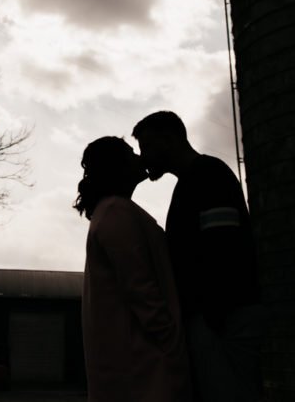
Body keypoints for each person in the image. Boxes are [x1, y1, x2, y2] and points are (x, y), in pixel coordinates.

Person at [133, 111, 264, 402]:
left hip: (224, 321)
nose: (143, 158)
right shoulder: (195, 179)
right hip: (218, 319)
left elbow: (224, 248)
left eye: (146, 147)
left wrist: (213, 318)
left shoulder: (208, 175)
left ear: (168, 141)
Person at [75, 136, 193, 402]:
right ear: (116, 165)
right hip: (143, 367)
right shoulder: (117, 212)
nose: (140, 158)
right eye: (131, 154)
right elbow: (141, 290)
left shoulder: (112, 211)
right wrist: (173, 345)